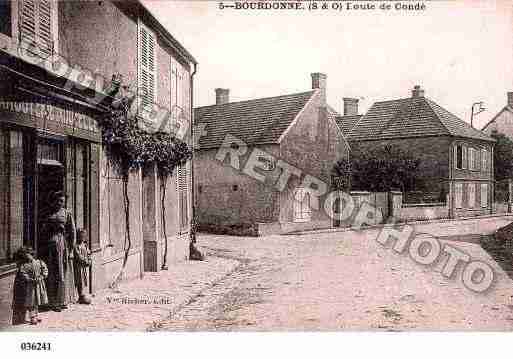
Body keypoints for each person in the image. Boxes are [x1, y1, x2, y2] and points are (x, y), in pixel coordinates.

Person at [43, 191, 77, 311]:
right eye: (57, 200)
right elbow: (43, 229)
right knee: (51, 273)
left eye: (62, 201)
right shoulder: (49, 213)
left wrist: (72, 250)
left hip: (62, 245)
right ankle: (52, 301)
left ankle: (61, 301)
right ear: (54, 201)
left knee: (61, 272)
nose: (59, 203)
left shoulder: (67, 213)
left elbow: (72, 232)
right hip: (50, 246)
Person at [12, 247, 48, 325]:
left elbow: (45, 270)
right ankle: (32, 317)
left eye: (29, 254)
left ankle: (36, 315)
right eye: (26, 255)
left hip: (38, 285)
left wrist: (42, 276)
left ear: (32, 254)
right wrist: (28, 279)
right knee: (31, 301)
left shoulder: (39, 262)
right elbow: (23, 273)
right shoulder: (24, 265)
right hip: (29, 286)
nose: (27, 256)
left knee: (37, 300)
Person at [74, 228, 92, 305]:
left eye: (84, 236)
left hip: (84, 266)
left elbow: (88, 253)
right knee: (79, 281)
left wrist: (89, 260)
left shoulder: (84, 245)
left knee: (84, 280)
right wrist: (85, 261)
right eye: (81, 236)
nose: (83, 237)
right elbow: (78, 256)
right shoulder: (76, 246)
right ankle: (80, 296)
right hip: (79, 266)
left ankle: (82, 295)